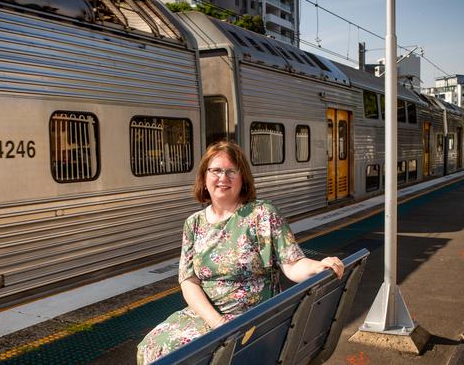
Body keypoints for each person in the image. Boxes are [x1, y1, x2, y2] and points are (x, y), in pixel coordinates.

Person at [136, 141, 344, 364]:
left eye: (231, 171)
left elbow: (292, 264)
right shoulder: (193, 224)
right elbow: (188, 281)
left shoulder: (261, 214)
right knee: (151, 346)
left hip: (251, 319)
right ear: (204, 178)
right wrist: (217, 323)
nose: (223, 178)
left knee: (188, 358)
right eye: (215, 170)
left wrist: (318, 265)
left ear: (242, 178)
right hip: (207, 316)